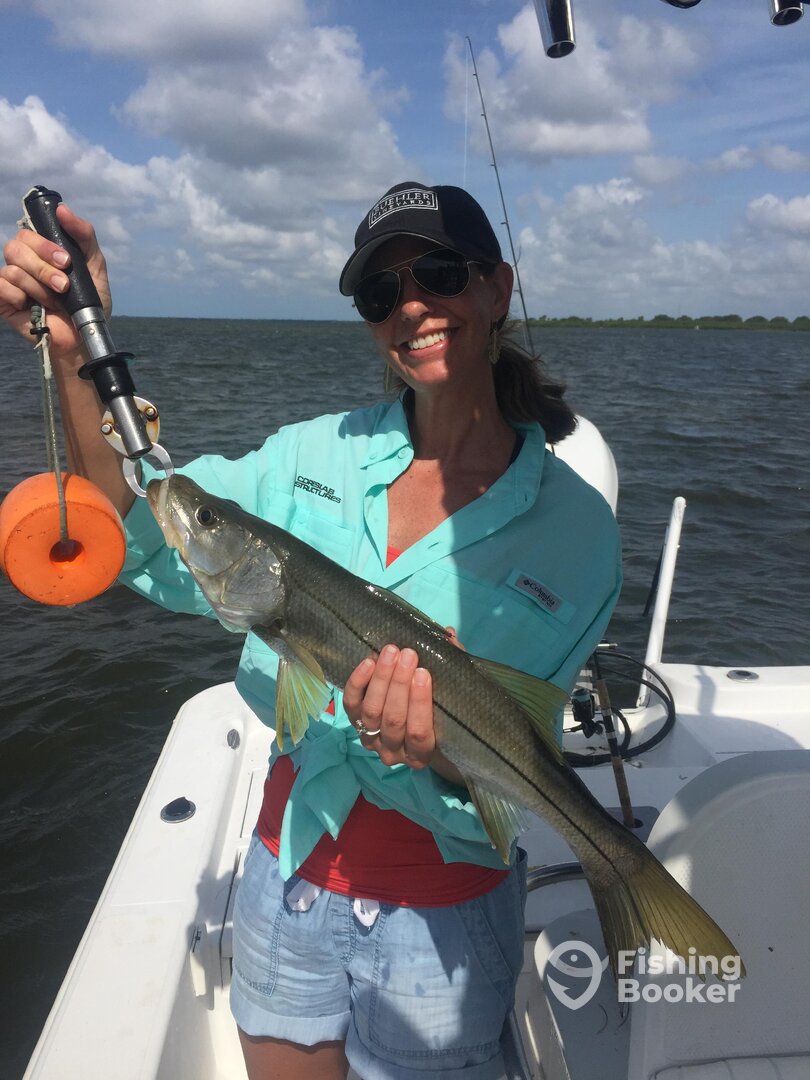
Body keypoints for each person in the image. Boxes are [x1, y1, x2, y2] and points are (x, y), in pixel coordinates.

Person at [0, 181, 621, 1080]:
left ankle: (621, 877)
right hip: (283, 880)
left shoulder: (577, 531)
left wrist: (434, 742)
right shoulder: (309, 455)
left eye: (439, 274)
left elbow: (511, 741)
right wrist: (70, 353)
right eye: (381, 294)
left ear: (497, 288)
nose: (411, 306)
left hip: (441, 921)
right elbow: (144, 525)